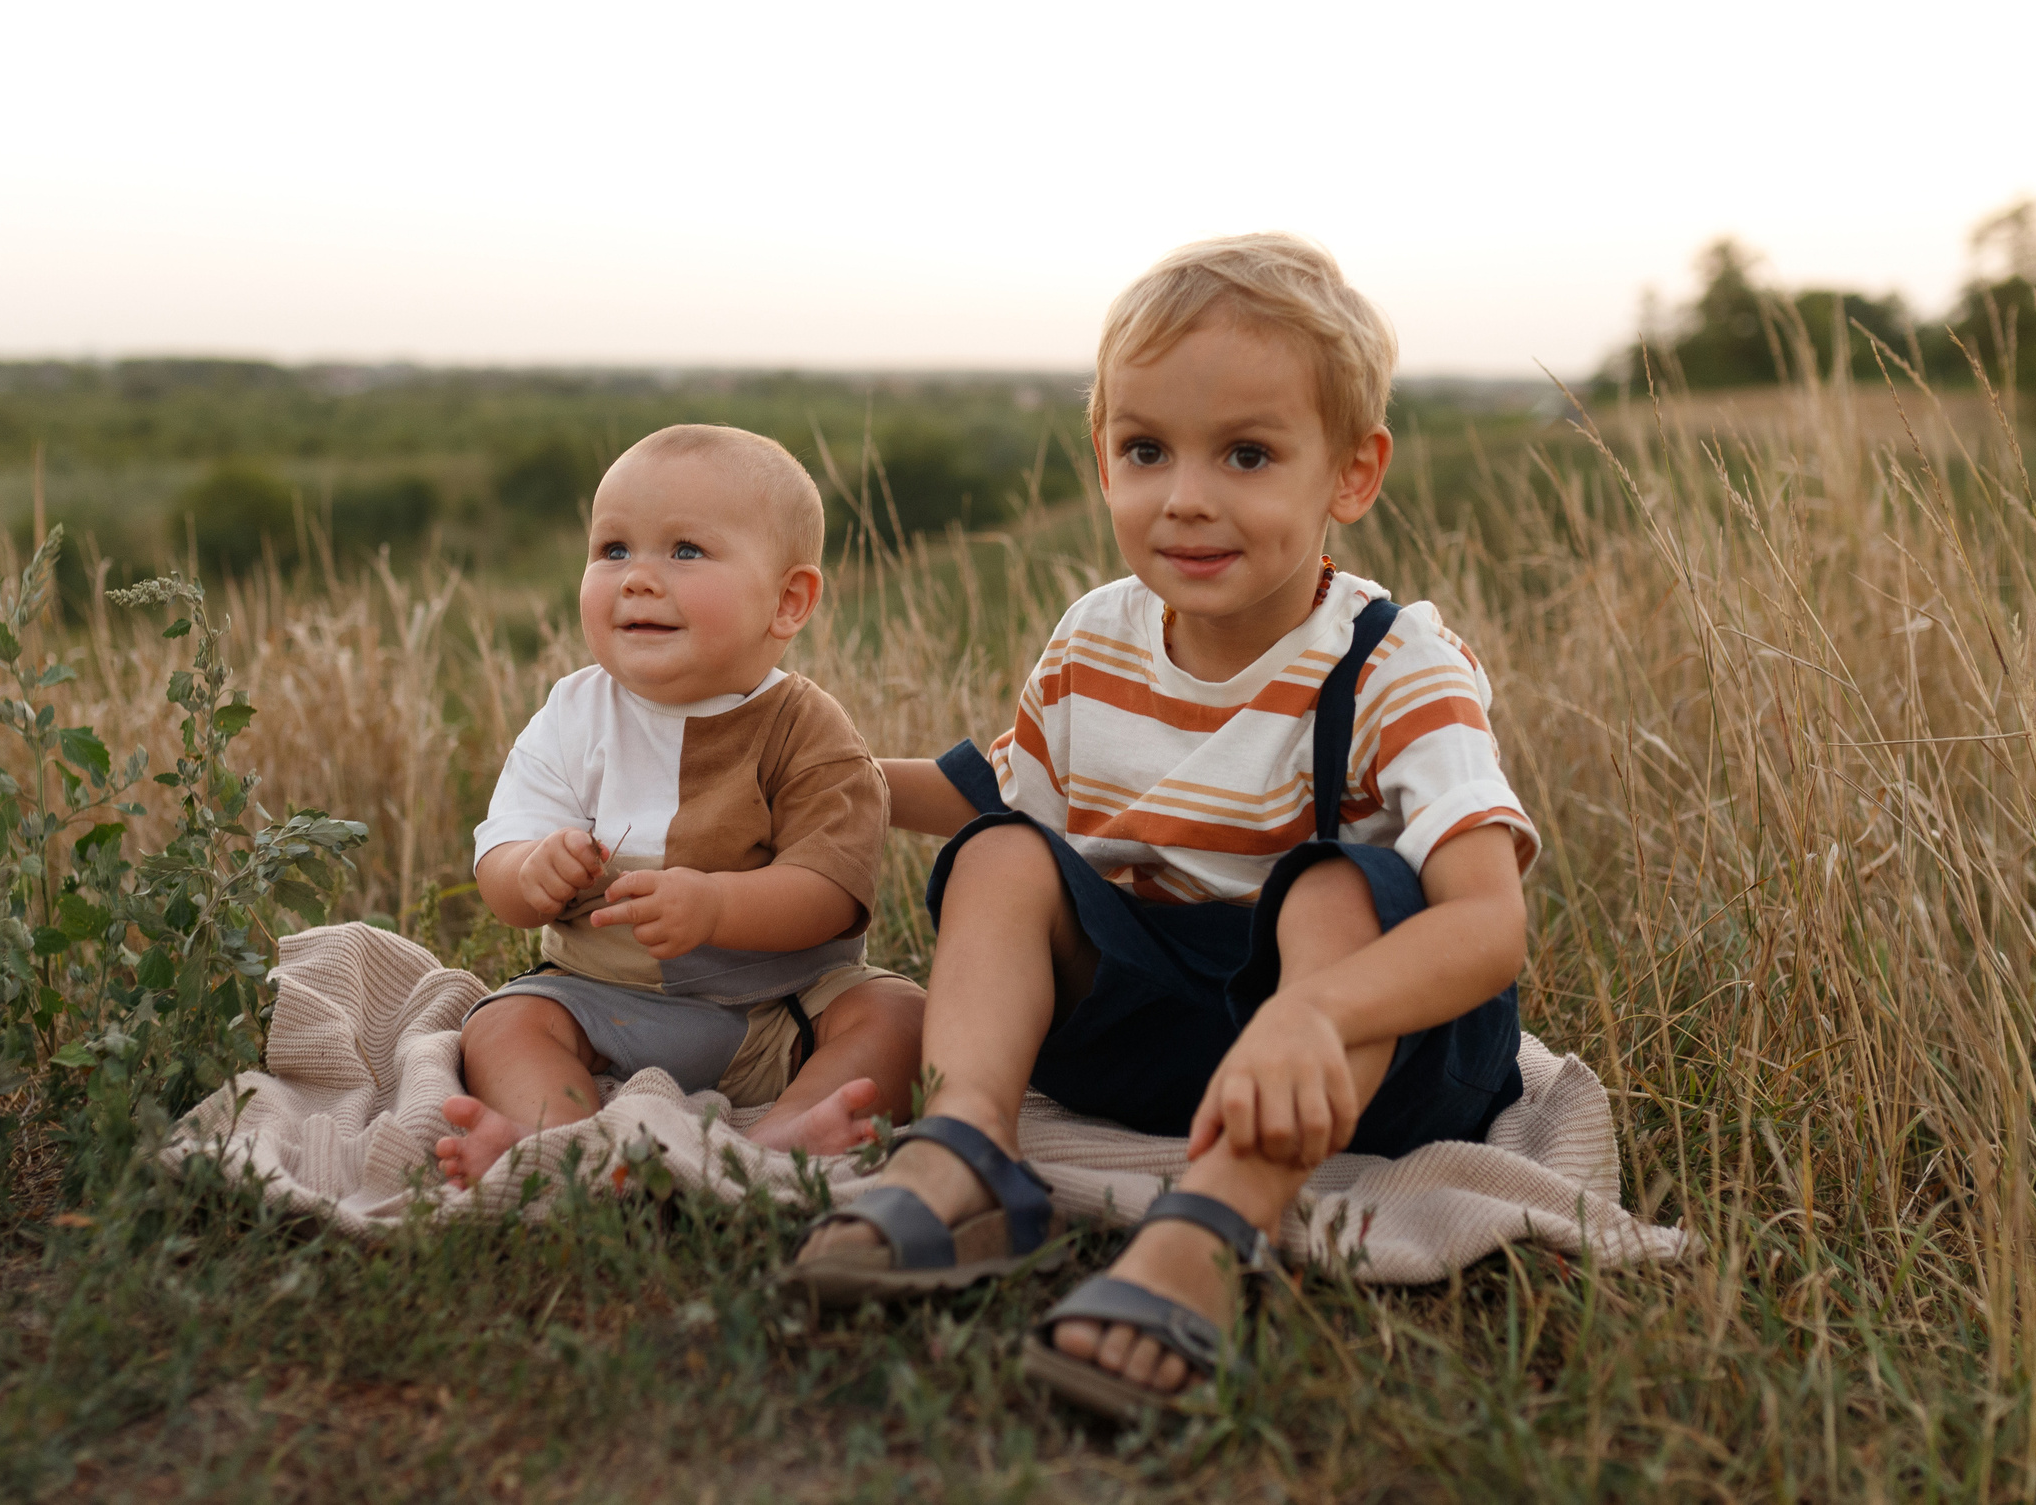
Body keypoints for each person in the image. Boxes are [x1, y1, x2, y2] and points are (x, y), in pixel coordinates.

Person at [789, 235, 1539, 1419]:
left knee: (1337, 884)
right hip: (1153, 1037)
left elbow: (1488, 927)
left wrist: (1315, 1012)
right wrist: (811, 782)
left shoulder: (1397, 662)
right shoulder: (1097, 636)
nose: (1184, 496)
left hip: (1359, 1052)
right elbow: (998, 791)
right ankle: (971, 1148)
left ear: (1350, 474)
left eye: (1246, 454)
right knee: (999, 853)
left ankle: (1206, 1226)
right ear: (1101, 459)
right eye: (1145, 451)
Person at [436, 425, 926, 1188]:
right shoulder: (573, 714)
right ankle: (561, 1139)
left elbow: (833, 889)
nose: (637, 578)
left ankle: (779, 1134)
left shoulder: (808, 729)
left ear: (788, 600)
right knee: (502, 1023)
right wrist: (532, 871)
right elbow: (501, 858)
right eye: (613, 550)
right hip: (604, 1001)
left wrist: (717, 904)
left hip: (780, 1008)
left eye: (686, 551)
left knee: (900, 1016)